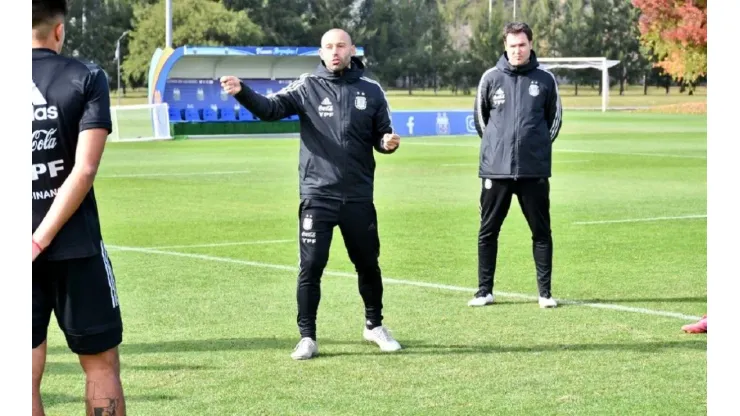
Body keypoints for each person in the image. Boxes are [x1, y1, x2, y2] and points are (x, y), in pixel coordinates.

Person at [220, 28, 403, 360]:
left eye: (340, 46)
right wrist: (242, 91)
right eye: (328, 47)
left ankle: (374, 325)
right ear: (321, 52)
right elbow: (270, 109)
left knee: (367, 263)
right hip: (318, 194)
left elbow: (381, 135)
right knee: (312, 265)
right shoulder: (307, 86)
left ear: (352, 50)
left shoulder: (371, 91)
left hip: (359, 195)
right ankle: (307, 336)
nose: (334, 52)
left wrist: (387, 143)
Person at [32, 1, 126, 414]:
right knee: (101, 366)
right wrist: (40, 240)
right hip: (78, 248)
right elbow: (84, 170)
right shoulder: (86, 76)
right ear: (59, 30)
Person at [469, 22, 563, 309]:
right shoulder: (490, 77)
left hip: (533, 171)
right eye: (512, 45)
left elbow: (554, 120)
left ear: (530, 45)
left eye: (522, 45)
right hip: (495, 171)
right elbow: (480, 119)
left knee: (541, 231)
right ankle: (484, 291)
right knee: (488, 231)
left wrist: (534, 149)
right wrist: (497, 149)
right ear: (505, 47)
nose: (517, 50)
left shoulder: (545, 79)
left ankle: (544, 293)